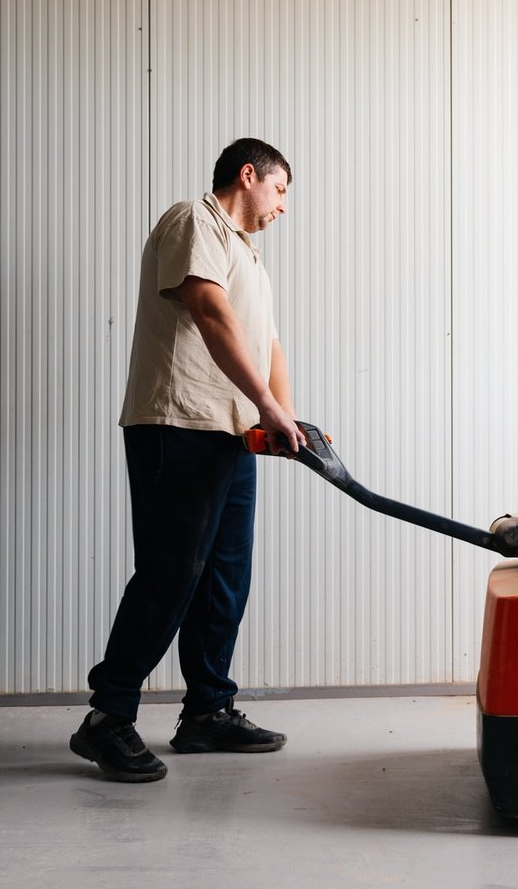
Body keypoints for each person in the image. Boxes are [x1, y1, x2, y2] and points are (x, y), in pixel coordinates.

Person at [70, 137, 307, 783]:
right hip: (176, 424)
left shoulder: (250, 258)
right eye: (281, 190)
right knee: (172, 574)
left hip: (231, 433)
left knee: (226, 577)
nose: (284, 206)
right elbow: (206, 308)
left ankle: (208, 710)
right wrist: (266, 405)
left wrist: (284, 417)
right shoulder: (193, 221)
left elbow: (270, 346)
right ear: (249, 175)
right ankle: (106, 719)